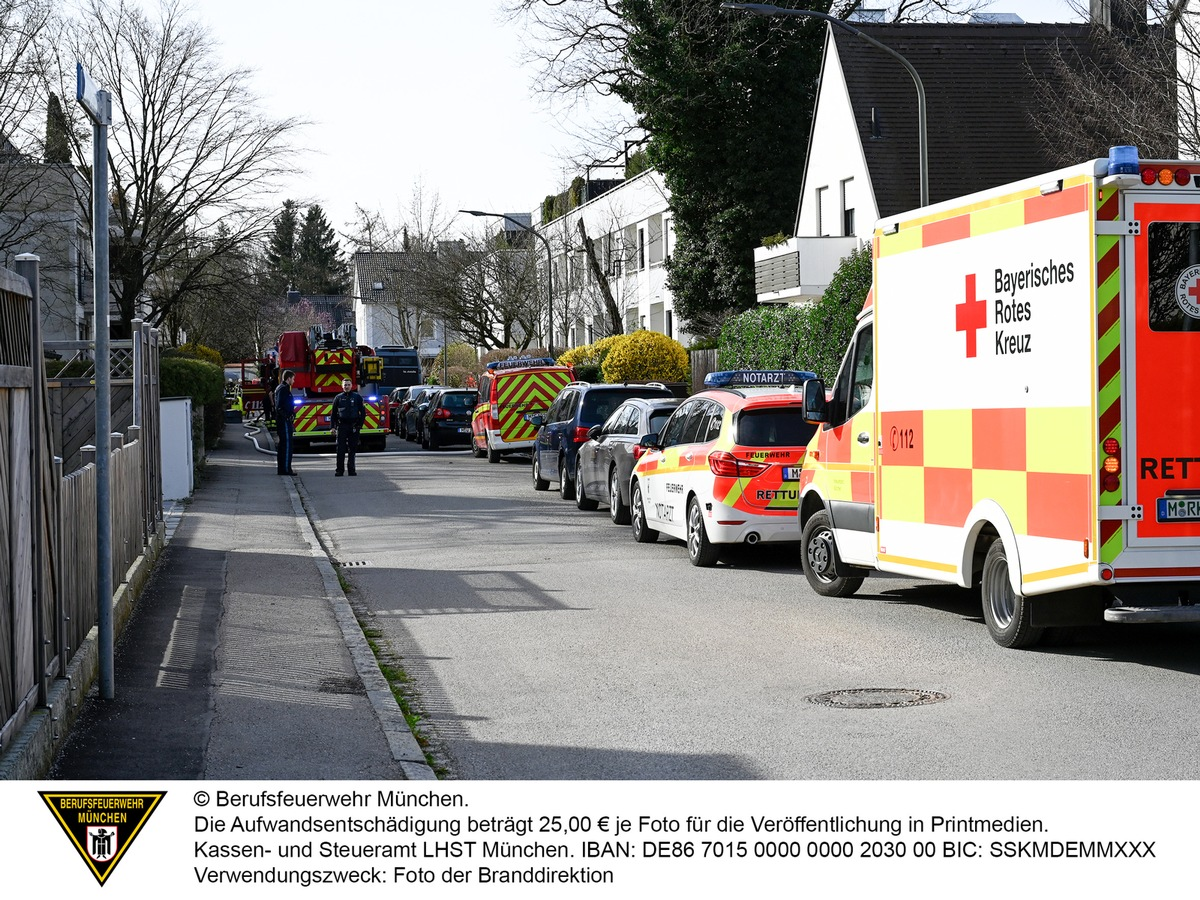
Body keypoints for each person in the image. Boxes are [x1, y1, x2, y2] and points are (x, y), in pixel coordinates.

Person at [331, 377, 366, 476]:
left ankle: (351, 470)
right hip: (342, 426)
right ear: (342, 386)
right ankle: (339, 470)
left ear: (352, 386)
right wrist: (332, 427)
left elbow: (363, 413)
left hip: (354, 426)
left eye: (348, 385)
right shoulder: (338, 398)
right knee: (340, 449)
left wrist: (359, 425)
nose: (346, 387)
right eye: (345, 385)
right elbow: (333, 414)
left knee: (352, 449)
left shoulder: (357, 397)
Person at [274, 369, 297, 475]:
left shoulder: (283, 388)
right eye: (293, 379)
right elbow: (279, 406)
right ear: (288, 378)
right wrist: (287, 416)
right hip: (284, 421)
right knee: (287, 445)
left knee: (284, 445)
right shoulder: (283, 389)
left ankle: (283, 469)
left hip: (284, 420)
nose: (294, 381)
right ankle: (286, 469)